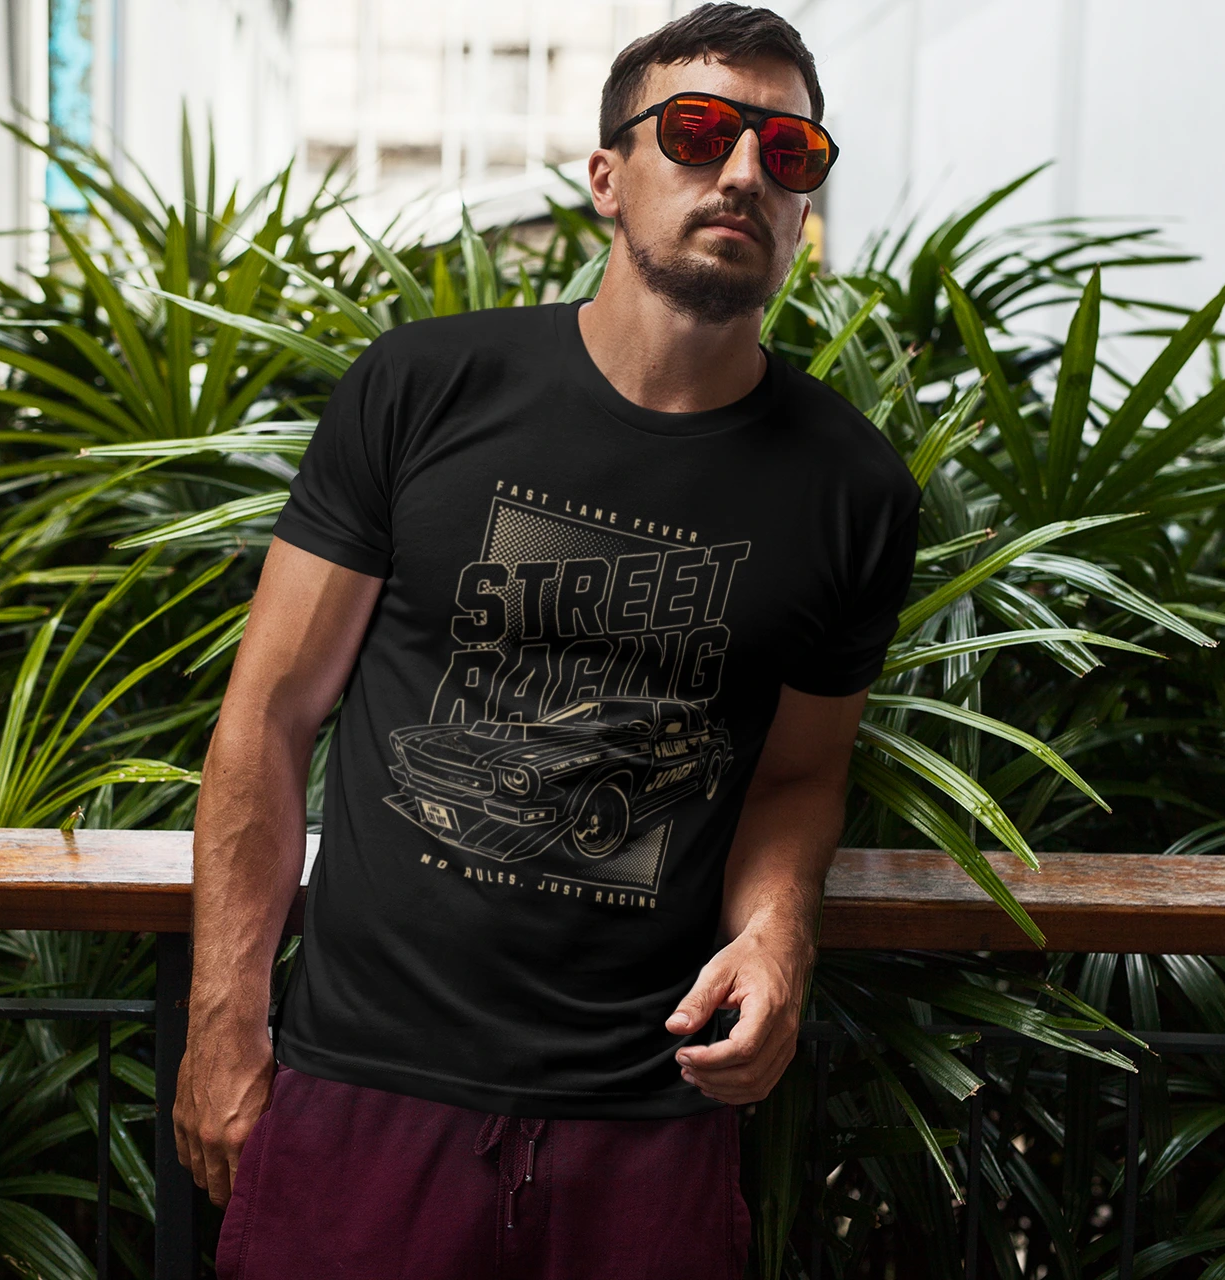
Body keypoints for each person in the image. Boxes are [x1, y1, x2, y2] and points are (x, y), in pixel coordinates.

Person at [176, 4, 920, 1276]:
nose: (746, 170)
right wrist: (224, 1023)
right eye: (699, 131)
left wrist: (778, 932)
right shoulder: (422, 388)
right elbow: (271, 716)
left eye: (789, 151)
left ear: (805, 203)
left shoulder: (853, 490)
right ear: (606, 177)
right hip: (366, 1088)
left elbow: (798, 775)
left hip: (650, 1113)